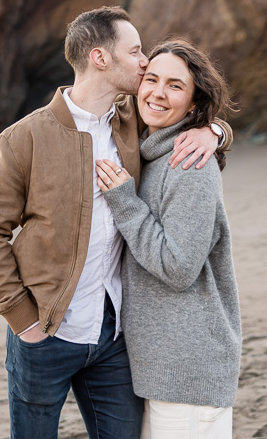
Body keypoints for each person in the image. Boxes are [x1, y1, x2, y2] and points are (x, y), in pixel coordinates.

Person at [0, 7, 232, 439]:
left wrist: (214, 131)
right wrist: (21, 318)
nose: (144, 62)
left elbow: (183, 111)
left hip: (114, 339)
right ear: (100, 58)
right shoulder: (24, 139)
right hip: (45, 331)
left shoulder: (132, 123)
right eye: (136, 52)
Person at [95, 39, 242, 439]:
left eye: (175, 86)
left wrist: (125, 203)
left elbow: (179, 269)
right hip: (161, 369)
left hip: (188, 371)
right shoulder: (150, 151)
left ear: (194, 104)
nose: (158, 92)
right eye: (152, 79)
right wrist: (217, 130)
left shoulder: (189, 164)